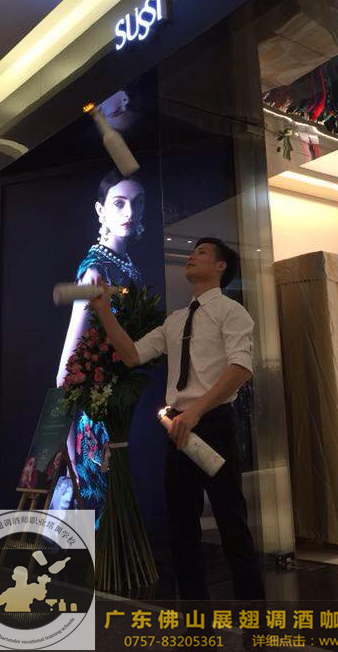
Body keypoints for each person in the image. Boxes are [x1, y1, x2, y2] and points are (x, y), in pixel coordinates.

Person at [90, 237, 265, 601]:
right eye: (193, 251)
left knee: (232, 525)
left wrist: (196, 410)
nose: (192, 256)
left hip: (214, 423)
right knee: (182, 531)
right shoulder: (175, 320)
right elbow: (132, 355)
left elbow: (241, 368)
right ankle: (197, 620)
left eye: (202, 252)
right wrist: (104, 311)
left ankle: (256, 621)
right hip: (177, 429)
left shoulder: (231, 311)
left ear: (220, 267)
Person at [54, 169, 145, 525]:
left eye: (138, 203)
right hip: (96, 411)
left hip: (122, 400)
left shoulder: (128, 267)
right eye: (119, 203)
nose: (130, 212)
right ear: (100, 210)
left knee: (116, 503)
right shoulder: (95, 271)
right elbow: (68, 358)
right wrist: (65, 438)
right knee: (98, 507)